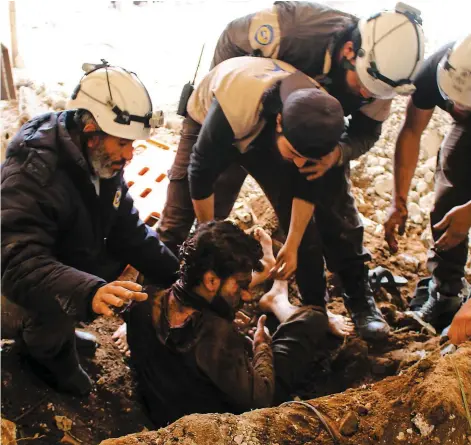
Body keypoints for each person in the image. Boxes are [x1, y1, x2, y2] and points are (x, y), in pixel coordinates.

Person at [157, 1, 425, 340]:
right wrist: (208, 227)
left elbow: (360, 137)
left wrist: (295, 240)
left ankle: (324, 309)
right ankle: (154, 306)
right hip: (231, 102)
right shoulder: (290, 30)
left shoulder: (373, 84)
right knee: (188, 221)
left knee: (324, 206)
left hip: (304, 124)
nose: (366, 95)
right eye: (362, 85)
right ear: (349, 52)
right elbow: (200, 170)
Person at [1, 61, 179, 396]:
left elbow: (129, 230)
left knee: (91, 266)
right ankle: (46, 357)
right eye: (122, 143)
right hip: (7, 282)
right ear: (91, 129)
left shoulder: (100, 164)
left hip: (44, 265)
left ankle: (58, 333)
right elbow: (18, 265)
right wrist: (88, 292)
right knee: (59, 300)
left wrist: (177, 275)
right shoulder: (33, 175)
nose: (129, 155)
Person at [126, 220, 336, 427]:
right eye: (241, 285)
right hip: (220, 424)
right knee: (313, 319)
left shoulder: (143, 302)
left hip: (163, 412)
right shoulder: (215, 336)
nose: (246, 295)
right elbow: (260, 400)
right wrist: (262, 346)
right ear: (211, 281)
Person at [384, 34, 471, 329]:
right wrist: (399, 199)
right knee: (450, 190)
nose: (457, 107)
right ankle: (447, 292)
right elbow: (411, 132)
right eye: (453, 100)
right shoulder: (438, 69)